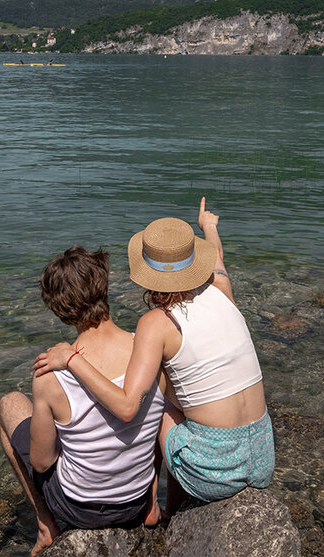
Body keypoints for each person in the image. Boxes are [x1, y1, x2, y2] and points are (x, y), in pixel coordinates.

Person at [34, 198, 273, 511]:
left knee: (158, 405)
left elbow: (127, 407)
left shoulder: (155, 323)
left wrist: (71, 359)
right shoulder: (222, 291)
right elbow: (217, 258)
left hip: (218, 473)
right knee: (176, 390)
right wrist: (209, 228)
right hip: (262, 455)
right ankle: (163, 507)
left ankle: (162, 509)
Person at [0, 245, 166, 555]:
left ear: (58, 310)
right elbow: (156, 428)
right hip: (135, 500)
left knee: (9, 403)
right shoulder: (150, 350)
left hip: (81, 510)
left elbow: (42, 462)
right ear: (104, 286)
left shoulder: (50, 376)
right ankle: (153, 505)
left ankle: (46, 524)